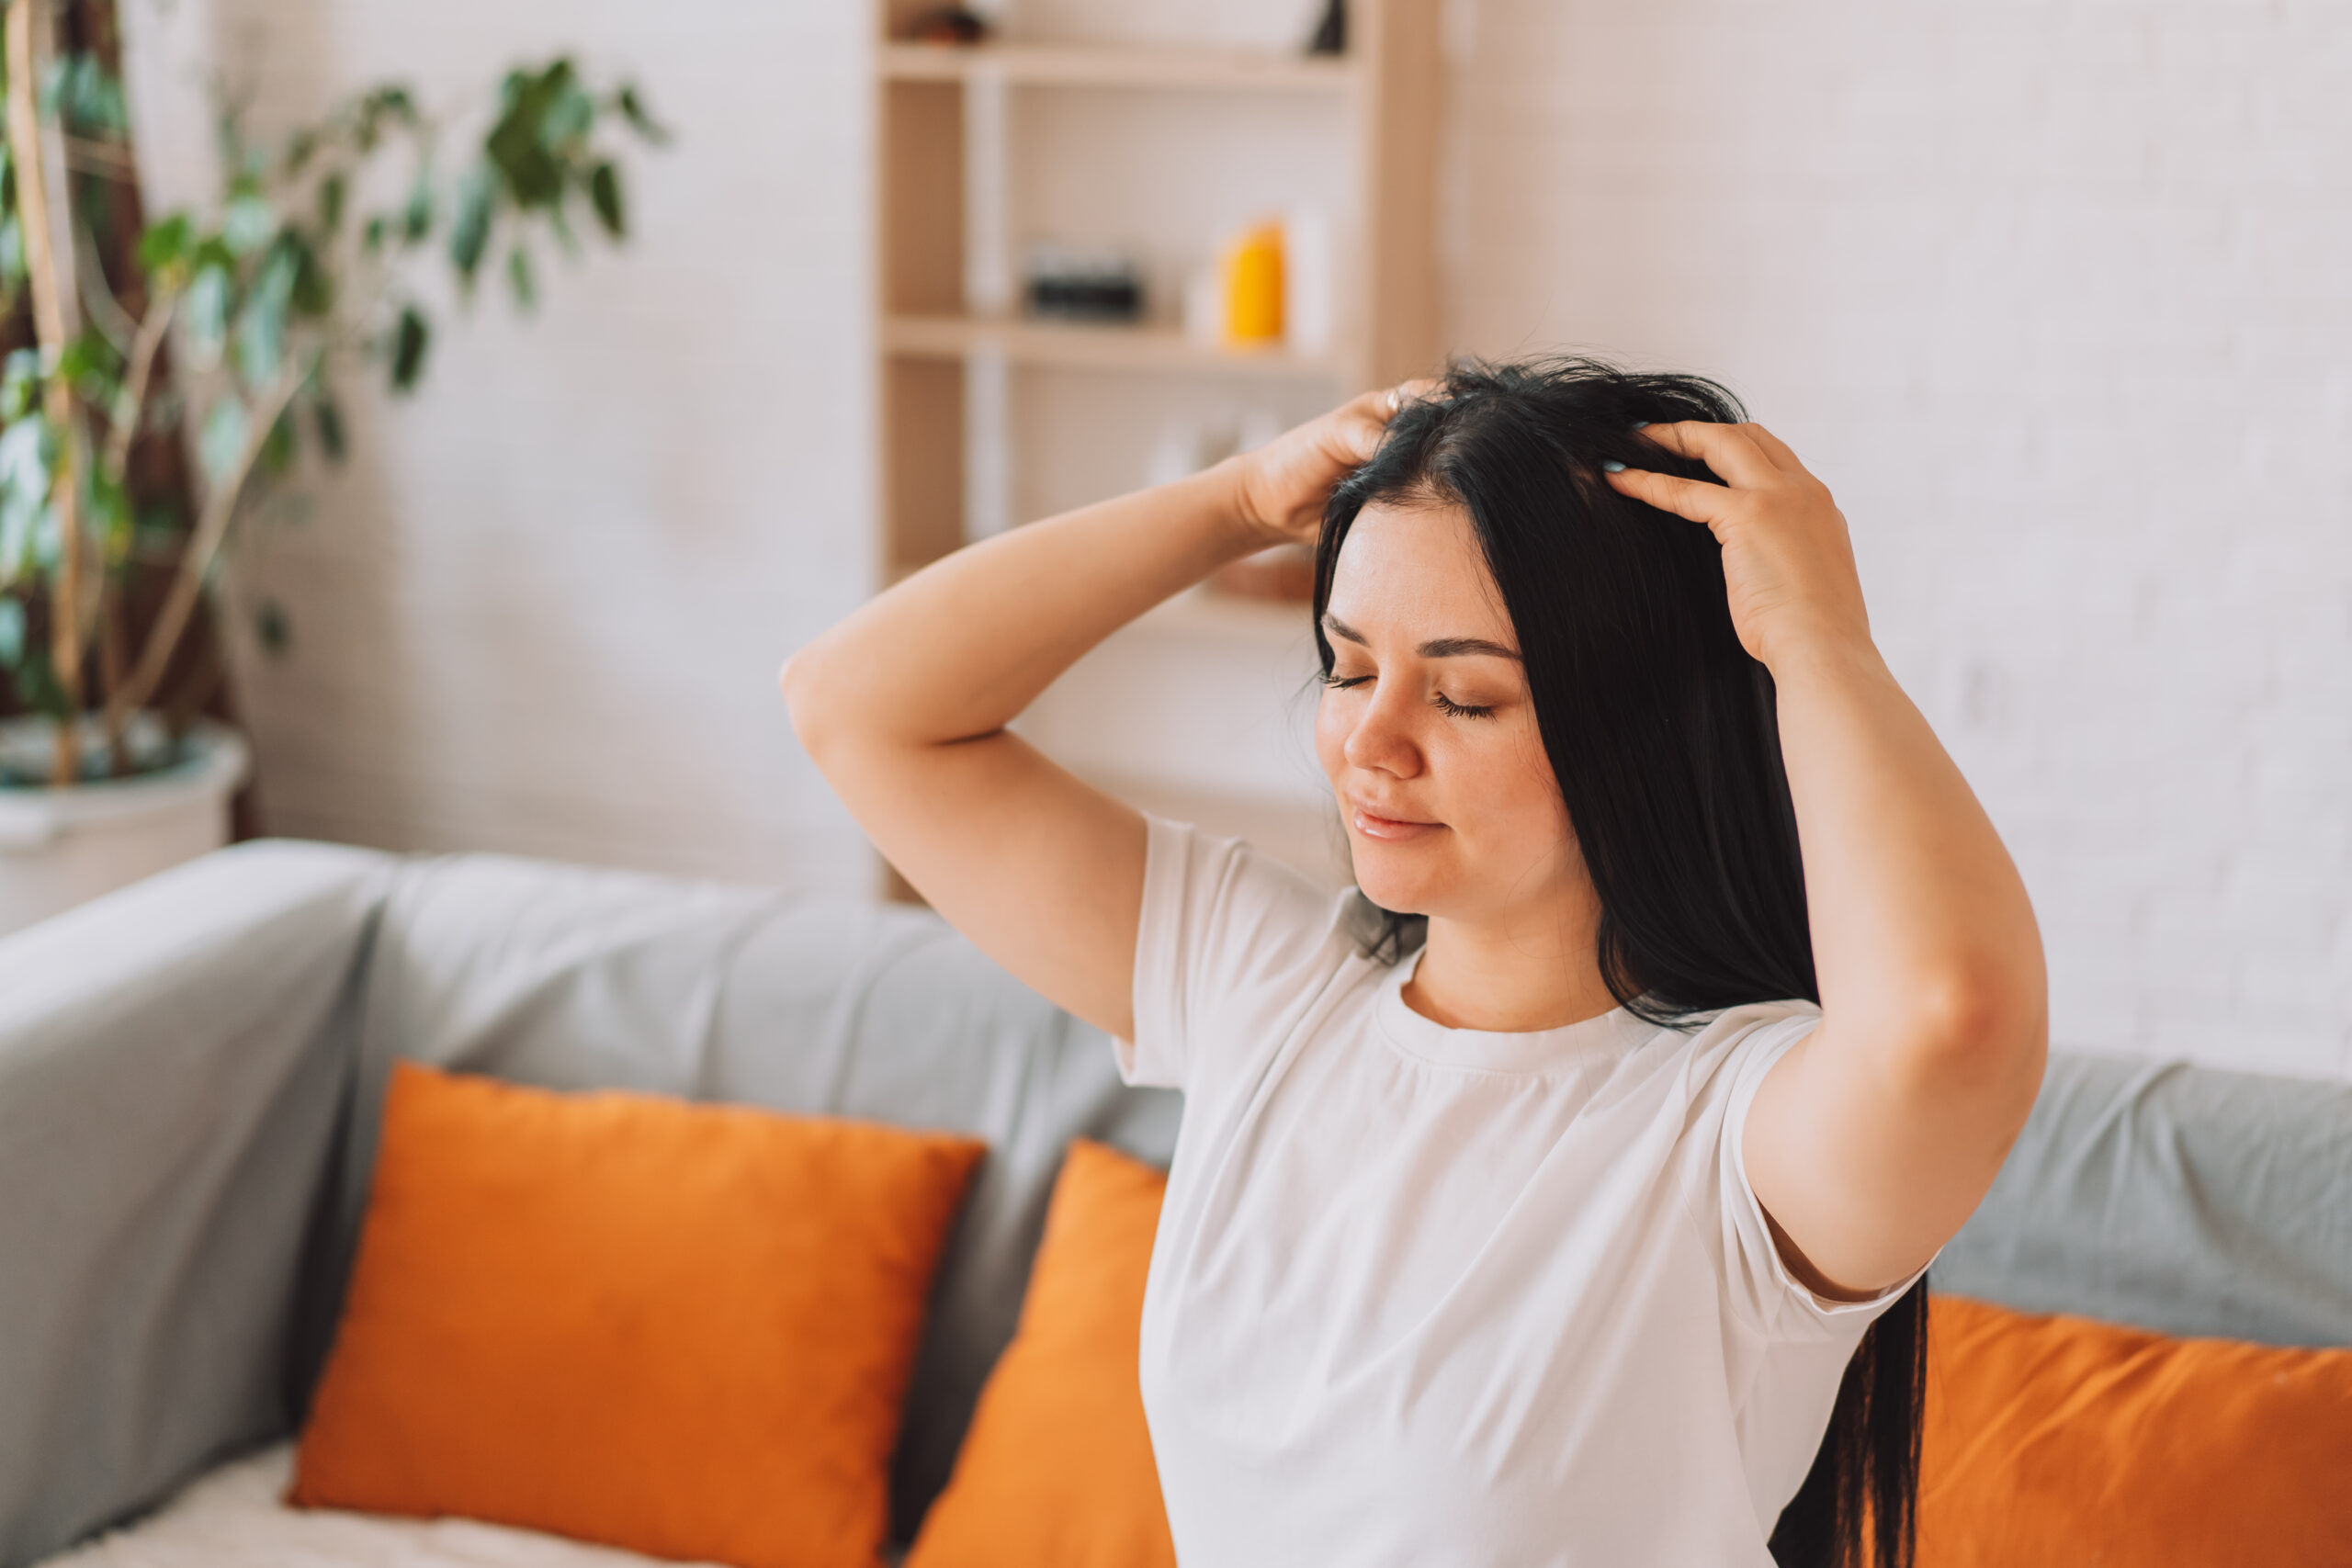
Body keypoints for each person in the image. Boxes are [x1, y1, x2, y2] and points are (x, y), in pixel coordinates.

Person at [782, 358, 2047, 1568]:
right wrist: (1232, 503)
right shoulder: (1266, 987)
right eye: (1348, 666)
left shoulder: (1730, 1137)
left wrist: (1815, 639)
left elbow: (1952, 1019)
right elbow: (857, 706)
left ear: (1641, 731)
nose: (1367, 743)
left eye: (1465, 698)